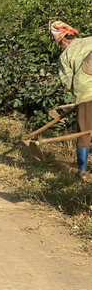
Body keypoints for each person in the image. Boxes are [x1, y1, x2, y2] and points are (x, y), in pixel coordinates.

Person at [51, 21, 92, 178]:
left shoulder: (65, 56)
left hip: (86, 94)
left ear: (62, 40)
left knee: (84, 133)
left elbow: (68, 83)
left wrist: (78, 96)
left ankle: (82, 170)